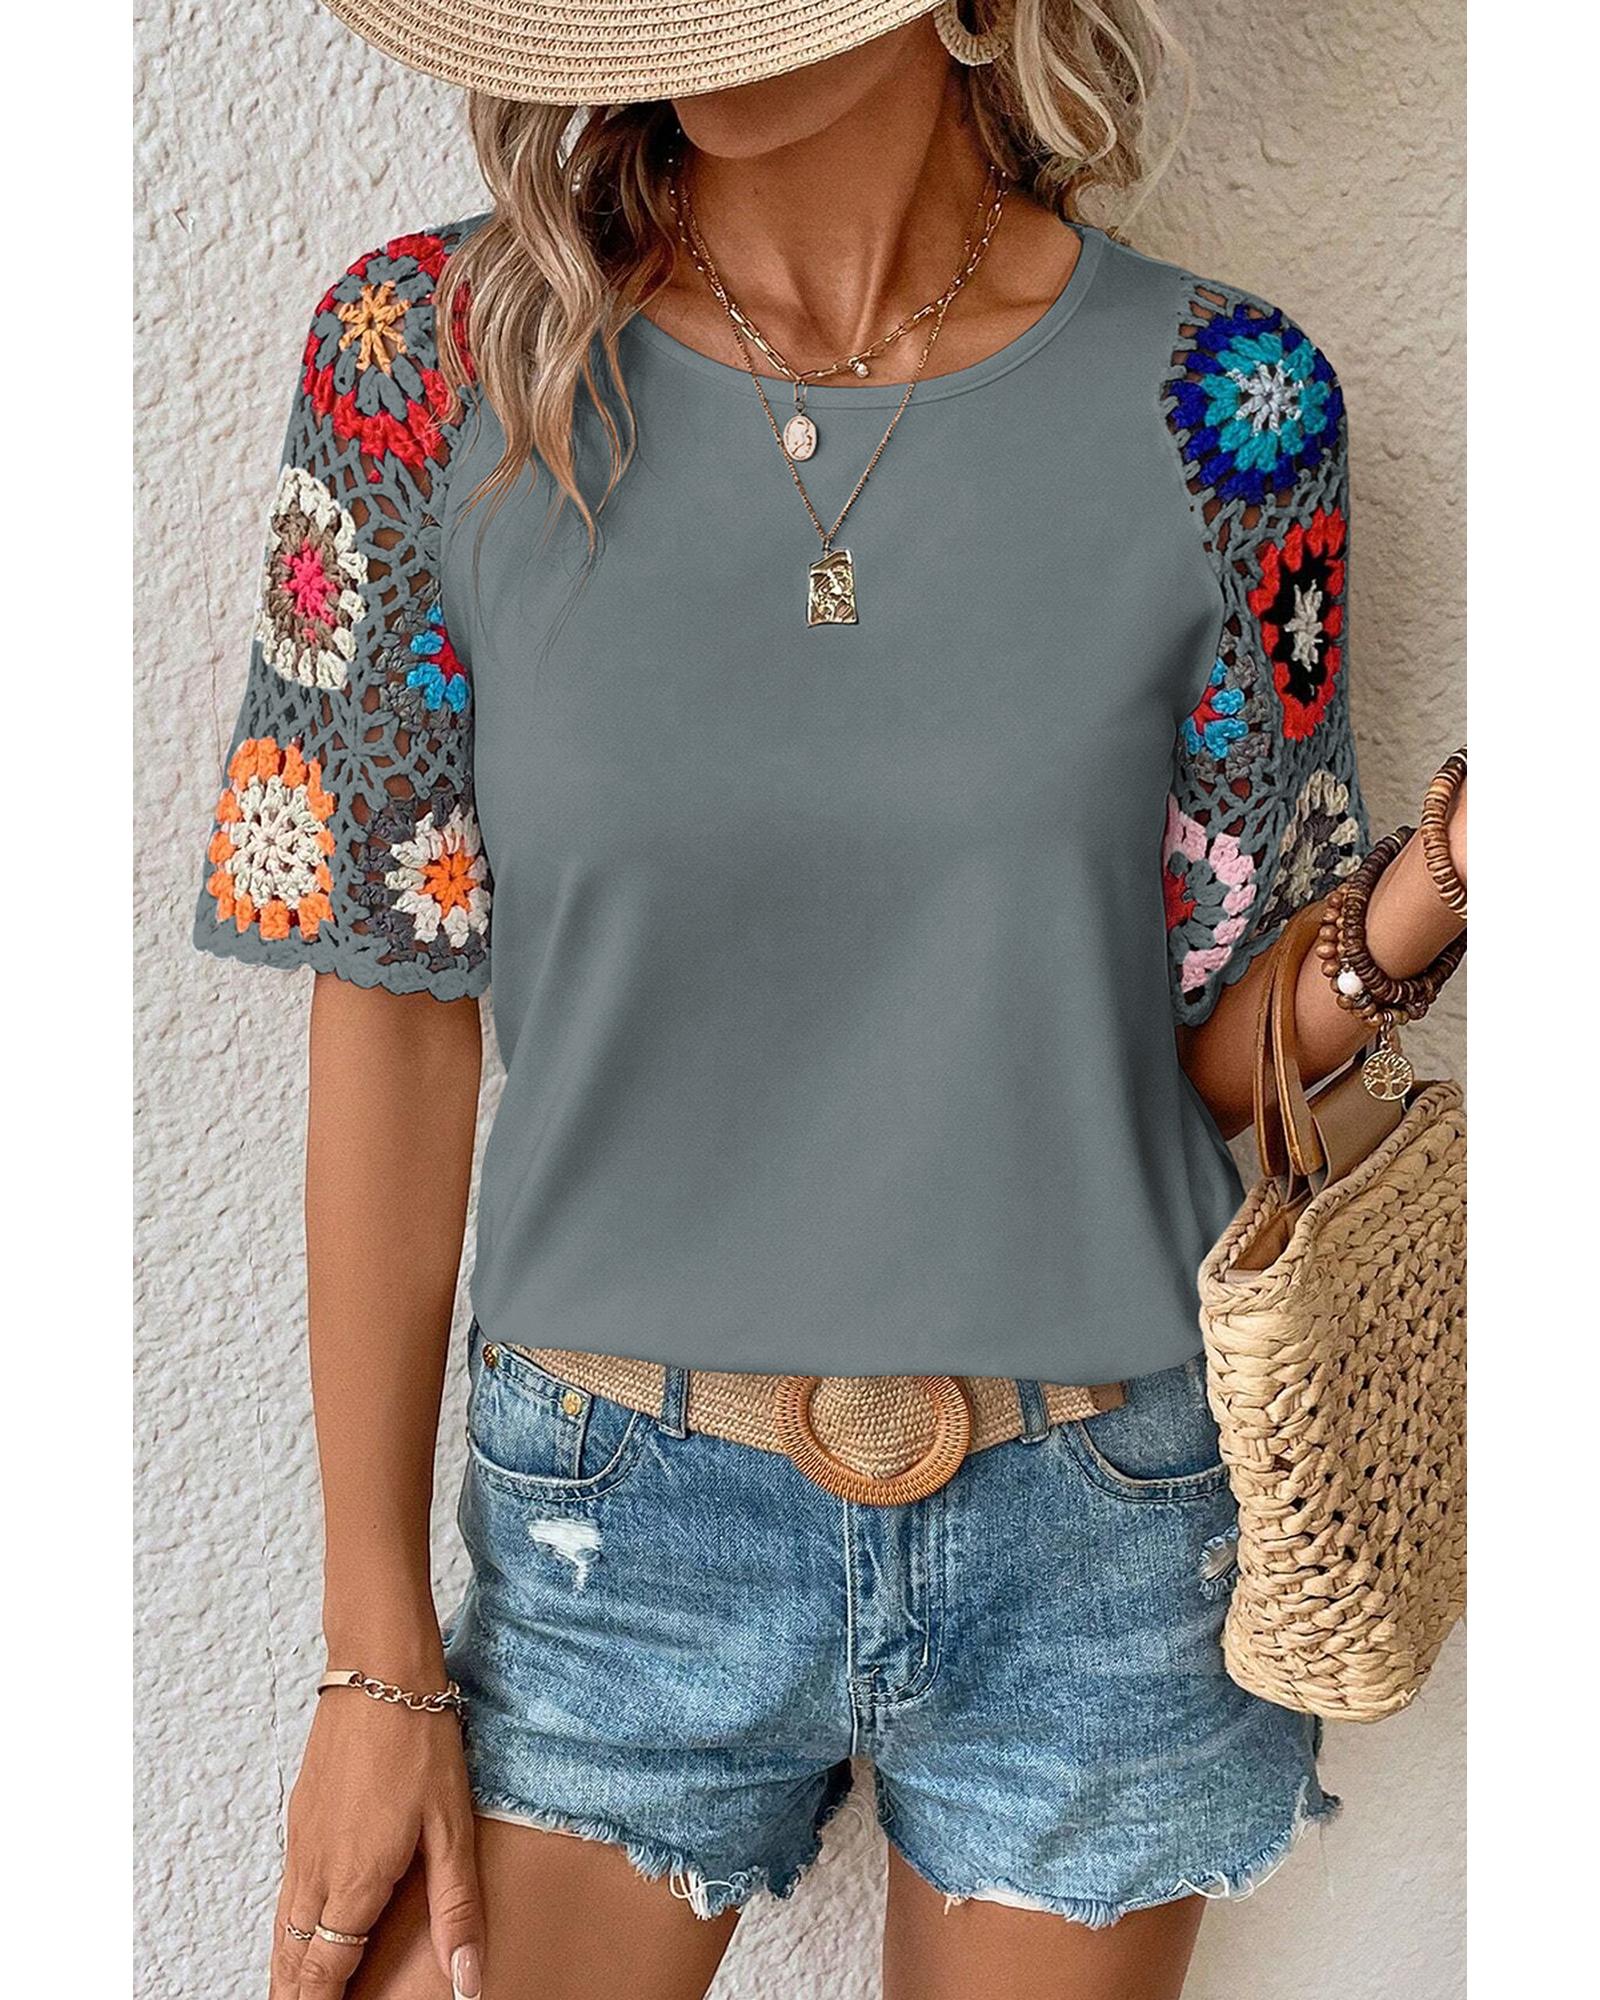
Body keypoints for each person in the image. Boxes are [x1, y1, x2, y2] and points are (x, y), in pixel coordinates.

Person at [192, 5, 1468, 1996]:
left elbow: (1211, 1052)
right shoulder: (428, 364)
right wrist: (377, 1655)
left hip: (1101, 1530)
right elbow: (390, 1004)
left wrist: (1434, 897)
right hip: (612, 1533)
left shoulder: (1225, 406)